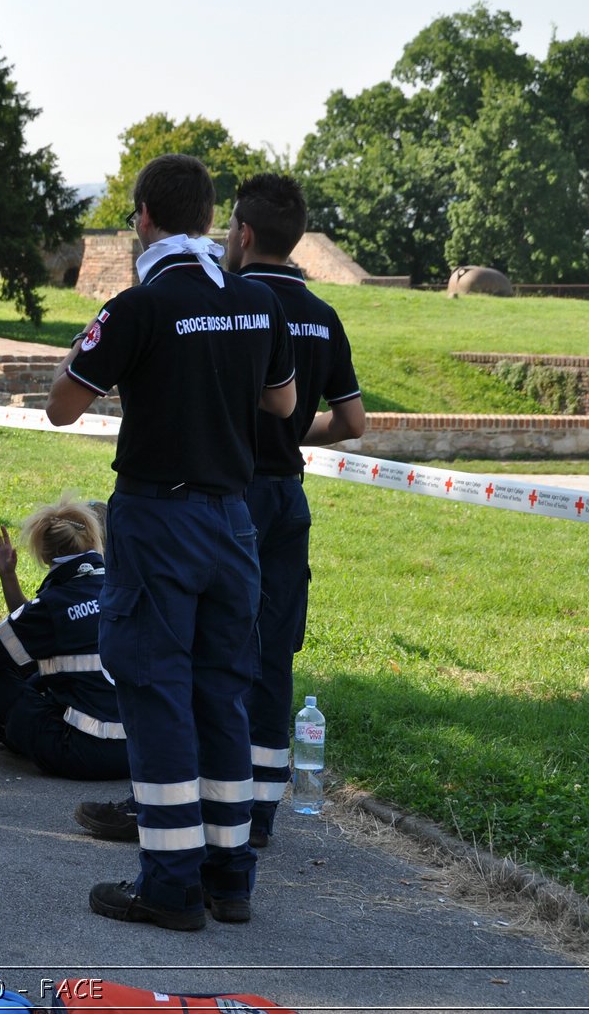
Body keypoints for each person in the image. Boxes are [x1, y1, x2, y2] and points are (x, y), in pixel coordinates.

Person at [45, 154, 295, 930]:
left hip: (159, 520)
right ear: (213, 218)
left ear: (143, 217)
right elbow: (281, 402)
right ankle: (230, 877)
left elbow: (60, 407)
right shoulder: (256, 302)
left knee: (155, 695)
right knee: (223, 694)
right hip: (233, 522)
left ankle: (170, 883)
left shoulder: (139, 306)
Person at [226, 173, 365, 846]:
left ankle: (209, 804)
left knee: (220, 650)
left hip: (234, 495)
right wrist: (292, 430)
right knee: (275, 655)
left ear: (244, 234)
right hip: (289, 498)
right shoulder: (322, 313)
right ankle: (260, 816)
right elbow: (353, 420)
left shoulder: (235, 302)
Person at [0, 497, 129, 781]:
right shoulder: (122, 593)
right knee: (40, 669)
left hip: (81, 754)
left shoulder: (52, 605)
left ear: (44, 555)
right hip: (139, 750)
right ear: (95, 541)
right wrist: (8, 576)